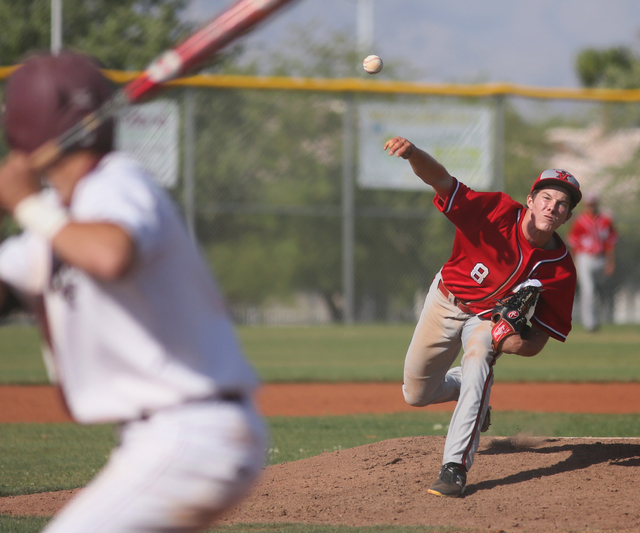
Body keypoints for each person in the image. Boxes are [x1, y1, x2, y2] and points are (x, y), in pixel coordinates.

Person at [0, 51, 266, 532]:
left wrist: (24, 203)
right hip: (168, 438)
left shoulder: (114, 181)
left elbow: (109, 254)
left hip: (190, 433)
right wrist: (28, 211)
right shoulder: (59, 224)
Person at [383, 136, 580, 498]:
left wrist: (512, 340)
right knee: (415, 394)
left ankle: (454, 468)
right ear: (532, 200)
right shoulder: (496, 211)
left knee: (478, 363)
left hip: (486, 321)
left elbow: (538, 341)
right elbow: (441, 180)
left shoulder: (561, 271)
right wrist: (413, 154)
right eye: (547, 198)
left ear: (567, 216)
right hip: (445, 300)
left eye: (562, 204)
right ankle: (468, 393)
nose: (553, 207)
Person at [567, 193, 618, 332]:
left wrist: (610, 262)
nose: (591, 207)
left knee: (598, 291)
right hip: (585, 258)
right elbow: (574, 243)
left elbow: (610, 243)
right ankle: (590, 323)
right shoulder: (579, 221)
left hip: (600, 258)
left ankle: (597, 319)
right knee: (588, 290)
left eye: (593, 204)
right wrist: (574, 261)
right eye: (589, 205)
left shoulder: (605, 220)